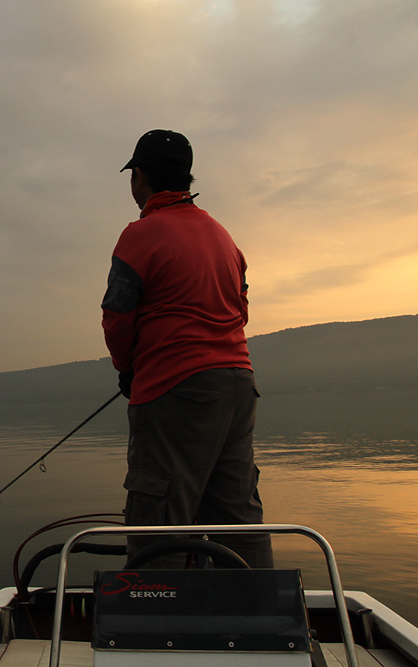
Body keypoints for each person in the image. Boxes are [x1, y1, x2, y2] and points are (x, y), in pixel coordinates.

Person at [101, 129, 273, 568]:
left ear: (139, 176)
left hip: (174, 390)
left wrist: (128, 369)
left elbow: (118, 317)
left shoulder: (140, 235)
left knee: (158, 518)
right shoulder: (224, 238)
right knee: (236, 514)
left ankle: (156, 623)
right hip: (238, 385)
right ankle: (258, 616)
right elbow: (242, 310)